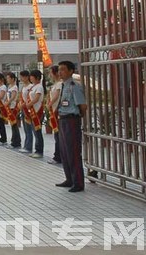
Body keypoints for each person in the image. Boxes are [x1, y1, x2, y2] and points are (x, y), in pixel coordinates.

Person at [55, 61, 86, 193]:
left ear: (71, 71)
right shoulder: (63, 85)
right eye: (59, 70)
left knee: (73, 151)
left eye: (63, 69)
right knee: (64, 151)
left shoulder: (74, 86)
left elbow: (83, 106)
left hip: (72, 120)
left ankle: (78, 182)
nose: (60, 72)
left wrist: (78, 117)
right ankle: (69, 179)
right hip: (62, 120)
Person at [27, 70, 46, 159]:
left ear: (37, 77)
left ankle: (39, 151)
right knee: (35, 132)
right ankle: (36, 149)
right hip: (32, 111)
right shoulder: (33, 87)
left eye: (32, 76)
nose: (30, 78)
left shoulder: (39, 87)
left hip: (37, 111)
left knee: (38, 132)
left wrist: (29, 104)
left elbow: (36, 98)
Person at [47, 65, 62, 165]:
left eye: (50, 72)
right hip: (53, 110)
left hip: (57, 110)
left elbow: (56, 96)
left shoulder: (60, 84)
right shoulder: (55, 84)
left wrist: (50, 103)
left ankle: (58, 157)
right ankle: (58, 156)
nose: (50, 75)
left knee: (59, 136)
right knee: (57, 136)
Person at [18, 70, 34, 154]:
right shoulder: (24, 87)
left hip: (28, 110)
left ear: (26, 77)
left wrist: (23, 104)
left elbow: (29, 99)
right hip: (23, 109)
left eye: (21, 77)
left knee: (28, 129)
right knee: (25, 129)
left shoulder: (30, 87)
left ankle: (29, 147)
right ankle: (26, 145)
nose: (20, 78)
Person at [5, 72, 21, 149]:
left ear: (13, 79)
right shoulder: (9, 86)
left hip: (13, 107)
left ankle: (16, 142)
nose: (7, 79)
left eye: (8, 78)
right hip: (9, 107)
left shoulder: (14, 87)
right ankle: (14, 141)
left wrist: (8, 102)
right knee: (12, 125)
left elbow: (13, 97)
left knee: (14, 125)